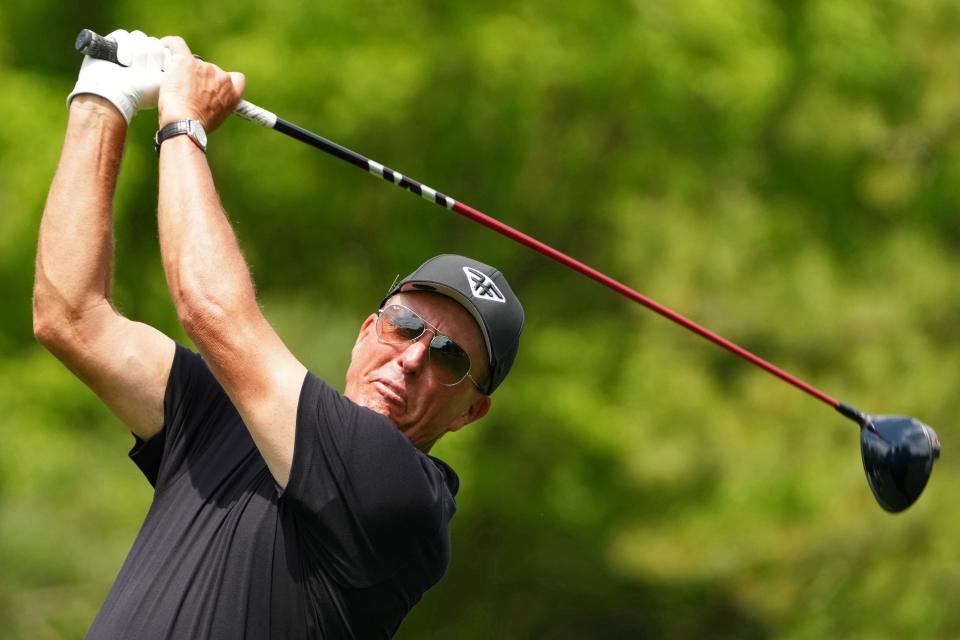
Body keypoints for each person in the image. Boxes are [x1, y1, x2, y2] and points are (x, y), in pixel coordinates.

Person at [33, 29, 523, 639]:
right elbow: (71, 316)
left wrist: (183, 124)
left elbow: (213, 313)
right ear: (368, 329)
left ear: (470, 412)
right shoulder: (234, 416)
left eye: (450, 356)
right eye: (404, 325)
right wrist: (103, 95)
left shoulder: (403, 499)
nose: (413, 357)